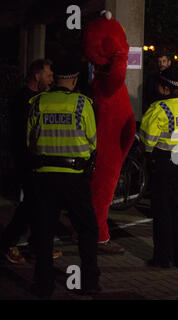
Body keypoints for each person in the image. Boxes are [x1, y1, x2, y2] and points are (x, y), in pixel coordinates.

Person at [27, 59, 100, 298]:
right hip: (75, 177)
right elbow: (92, 140)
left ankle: (43, 284)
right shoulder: (82, 103)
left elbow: (31, 140)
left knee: (44, 232)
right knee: (87, 231)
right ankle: (89, 282)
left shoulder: (38, 102)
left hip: (45, 177)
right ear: (75, 79)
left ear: (55, 77)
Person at [0, 59, 63, 264]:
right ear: (37, 76)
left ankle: (37, 245)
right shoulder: (24, 100)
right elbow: (24, 134)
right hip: (27, 160)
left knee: (38, 203)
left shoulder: (38, 98)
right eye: (49, 75)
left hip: (37, 160)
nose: (52, 79)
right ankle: (9, 243)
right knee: (32, 203)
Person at [139, 68, 178, 268]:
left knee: (162, 210)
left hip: (164, 161)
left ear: (164, 87)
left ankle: (163, 258)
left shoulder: (158, 108)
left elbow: (147, 139)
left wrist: (147, 154)